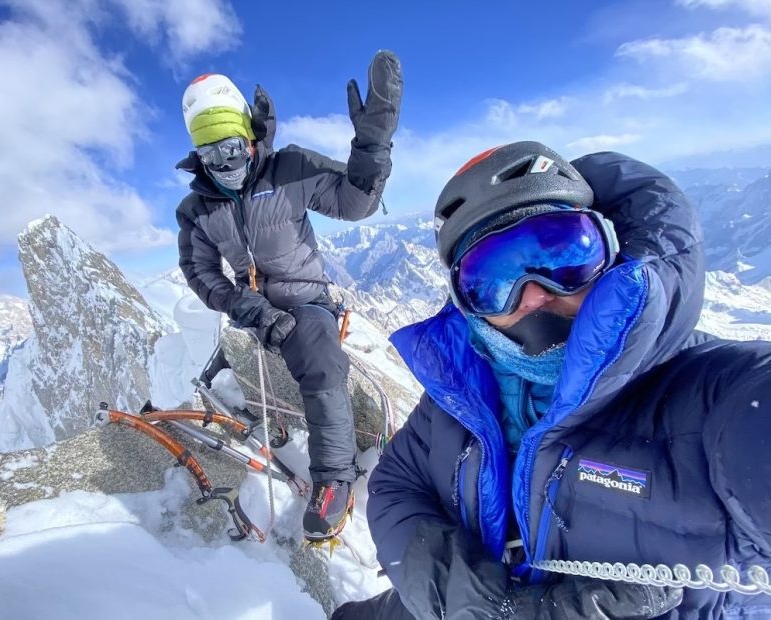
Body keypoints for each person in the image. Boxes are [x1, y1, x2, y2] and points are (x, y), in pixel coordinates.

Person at [333, 142, 771, 618]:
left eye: (564, 254)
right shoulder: (463, 391)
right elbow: (397, 485)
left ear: (612, 249)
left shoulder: (716, 398)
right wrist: (481, 605)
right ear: (466, 305)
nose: (535, 296)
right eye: (493, 280)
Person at [175, 52, 403, 542]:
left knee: (321, 364)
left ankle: (334, 480)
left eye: (233, 147)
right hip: (252, 309)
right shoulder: (196, 209)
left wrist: (372, 143)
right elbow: (199, 271)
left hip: (306, 301)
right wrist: (245, 306)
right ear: (198, 155)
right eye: (212, 155)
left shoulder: (291, 168)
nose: (226, 164)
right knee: (217, 379)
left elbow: (354, 202)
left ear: (250, 135)